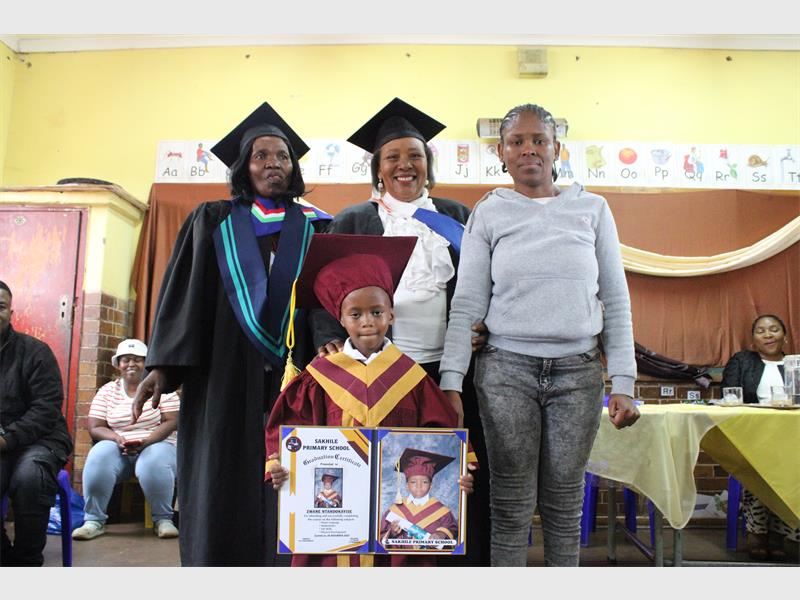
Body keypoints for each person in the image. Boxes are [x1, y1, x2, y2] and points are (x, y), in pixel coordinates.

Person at [439, 103, 640, 567]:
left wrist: (624, 382)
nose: (529, 149)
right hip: (506, 372)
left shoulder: (592, 209)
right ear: (502, 153)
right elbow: (467, 303)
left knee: (564, 505)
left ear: (557, 149)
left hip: (579, 374)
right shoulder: (489, 212)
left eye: (539, 140)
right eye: (517, 141)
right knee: (509, 506)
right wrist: (452, 379)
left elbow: (616, 297)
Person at [132, 101, 332, 566]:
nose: (272, 164)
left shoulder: (316, 227)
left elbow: (325, 298)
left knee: (291, 475)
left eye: (282, 156)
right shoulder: (212, 221)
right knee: (220, 476)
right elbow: (184, 298)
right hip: (220, 374)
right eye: (261, 156)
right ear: (244, 167)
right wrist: (163, 366)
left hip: (292, 374)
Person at [310, 97, 490, 566]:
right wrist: (327, 336)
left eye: (415, 156)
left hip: (450, 369)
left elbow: (483, 282)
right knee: (389, 473)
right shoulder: (354, 219)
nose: (404, 165)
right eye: (393, 157)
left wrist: (481, 325)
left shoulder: (457, 217)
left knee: (445, 473)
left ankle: (444, 564)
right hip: (381, 374)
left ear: (428, 166)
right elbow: (323, 287)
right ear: (378, 170)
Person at [266, 233, 474, 567]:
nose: (367, 322)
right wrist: (278, 465)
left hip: (400, 522)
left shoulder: (413, 378)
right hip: (331, 523)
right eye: (356, 314)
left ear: (391, 315)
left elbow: (444, 438)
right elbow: (288, 434)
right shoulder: (319, 377)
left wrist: (457, 476)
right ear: (341, 319)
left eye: (377, 312)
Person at [72, 339, 179, 541]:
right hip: (120, 449)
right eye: (126, 360)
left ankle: (163, 520)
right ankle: (93, 521)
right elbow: (95, 427)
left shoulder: (163, 389)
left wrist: (145, 443)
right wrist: (117, 438)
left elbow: (173, 422)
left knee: (153, 461)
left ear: (147, 363)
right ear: (118, 365)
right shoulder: (107, 391)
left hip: (158, 445)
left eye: (138, 360)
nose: (131, 364)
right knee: (99, 454)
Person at [0, 280, 73, 566]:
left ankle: (28, 562)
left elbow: (46, 409)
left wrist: (6, 438)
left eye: (1, 306)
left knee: (30, 478)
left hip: (41, 439)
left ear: (11, 312)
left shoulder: (35, 352)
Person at [721, 314, 798, 561]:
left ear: (784, 337)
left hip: (792, 436)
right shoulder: (742, 361)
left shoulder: (796, 364)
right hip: (754, 435)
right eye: (761, 331)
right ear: (753, 339)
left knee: (793, 473)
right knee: (758, 471)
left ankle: (787, 534)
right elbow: (729, 394)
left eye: (774, 330)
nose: (768, 335)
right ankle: (758, 534)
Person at [380, 449, 458, 545]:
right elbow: (381, 536)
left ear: (431, 485)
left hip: (429, 558)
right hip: (401, 558)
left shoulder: (442, 511)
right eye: (413, 482)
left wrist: (441, 534)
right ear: (407, 485)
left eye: (424, 482)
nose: (419, 485)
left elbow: (452, 528)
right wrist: (392, 532)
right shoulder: (394, 510)